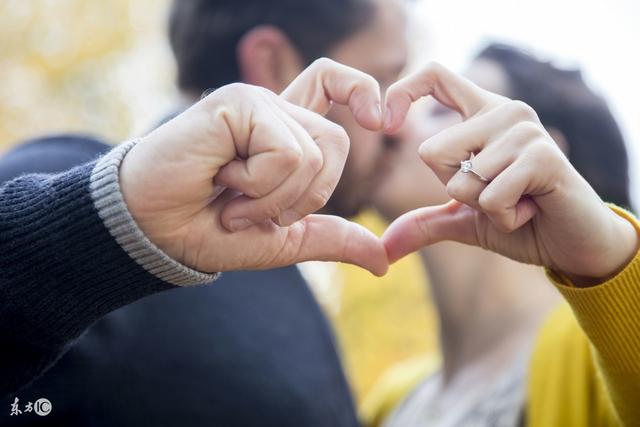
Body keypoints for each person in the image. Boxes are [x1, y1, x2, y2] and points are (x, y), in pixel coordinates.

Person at [0, 60, 390, 426]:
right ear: (270, 59)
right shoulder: (56, 167)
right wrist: (110, 215)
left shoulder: (279, 270)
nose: (396, 129)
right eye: (384, 76)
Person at [366, 49, 639, 426]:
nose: (391, 129)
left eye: (440, 112)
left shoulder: (596, 357)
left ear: (534, 161)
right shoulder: (390, 400)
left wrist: (609, 258)